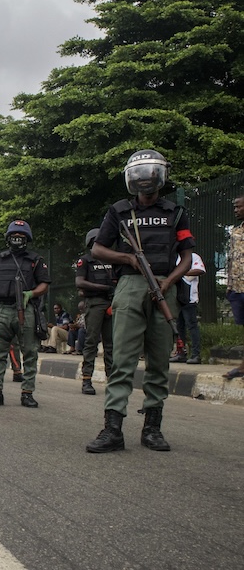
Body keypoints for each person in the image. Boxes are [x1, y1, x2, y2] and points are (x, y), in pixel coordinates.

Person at [86, 150, 195, 453]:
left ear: (160, 178)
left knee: (159, 362)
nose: (145, 181)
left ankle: (153, 429)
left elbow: (186, 257)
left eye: (150, 175)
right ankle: (112, 429)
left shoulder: (176, 212)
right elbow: (98, 249)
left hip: (164, 287)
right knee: (122, 361)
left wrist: (169, 281)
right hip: (131, 286)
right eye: (139, 175)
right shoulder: (118, 212)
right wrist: (128, 258)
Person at [0, 219, 50, 408]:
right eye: (14, 236)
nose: (17, 239)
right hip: (1, 310)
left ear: (27, 239)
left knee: (30, 353)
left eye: (21, 236)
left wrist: (32, 294)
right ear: (8, 238)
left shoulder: (35, 260)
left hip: (25, 310)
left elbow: (45, 284)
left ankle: (27, 393)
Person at [76, 227, 116, 395]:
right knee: (91, 342)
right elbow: (79, 282)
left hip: (112, 303)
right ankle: (86, 380)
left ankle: (112, 381)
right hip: (95, 303)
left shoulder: (113, 260)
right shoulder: (85, 261)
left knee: (111, 344)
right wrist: (103, 287)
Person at [170, 252, 206, 364]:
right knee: (179, 327)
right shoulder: (173, 257)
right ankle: (181, 353)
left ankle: (196, 354)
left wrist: (181, 273)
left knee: (191, 326)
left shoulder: (193, 256)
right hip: (177, 298)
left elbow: (200, 270)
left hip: (189, 298)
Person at [224, 194, 244, 380]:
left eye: (239, 207)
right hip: (237, 287)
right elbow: (231, 258)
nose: (236, 210)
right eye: (235, 207)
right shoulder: (236, 232)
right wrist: (229, 285)